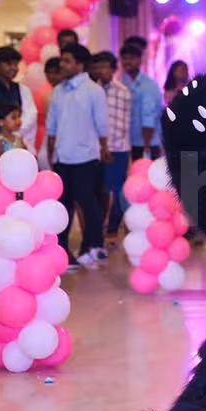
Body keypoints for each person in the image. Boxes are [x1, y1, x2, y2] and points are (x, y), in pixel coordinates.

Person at [45, 44, 110, 267]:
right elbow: (51, 126)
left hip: (86, 157)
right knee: (62, 205)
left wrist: (104, 149)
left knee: (87, 202)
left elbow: (102, 125)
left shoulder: (93, 90)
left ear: (79, 64)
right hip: (62, 158)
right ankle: (63, 251)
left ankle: (92, 245)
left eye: (67, 61)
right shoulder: (57, 91)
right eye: (62, 60)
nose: (62, 65)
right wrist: (51, 153)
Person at [91, 51, 132, 243]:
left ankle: (113, 229)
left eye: (105, 66)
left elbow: (120, 124)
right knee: (100, 191)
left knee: (117, 191)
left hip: (117, 149)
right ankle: (99, 228)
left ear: (114, 69)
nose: (101, 70)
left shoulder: (121, 91)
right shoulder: (92, 90)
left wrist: (107, 148)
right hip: (96, 149)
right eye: (98, 66)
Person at [0, 47, 37, 154]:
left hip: (13, 142)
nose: (13, 68)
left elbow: (29, 116)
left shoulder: (19, 89)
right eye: (9, 64)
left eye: (16, 64)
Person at [120, 41, 163, 160]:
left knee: (146, 177)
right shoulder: (122, 82)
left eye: (132, 58)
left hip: (146, 144)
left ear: (140, 60)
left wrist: (146, 145)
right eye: (124, 58)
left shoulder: (148, 85)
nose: (127, 62)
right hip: (128, 143)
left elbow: (148, 117)